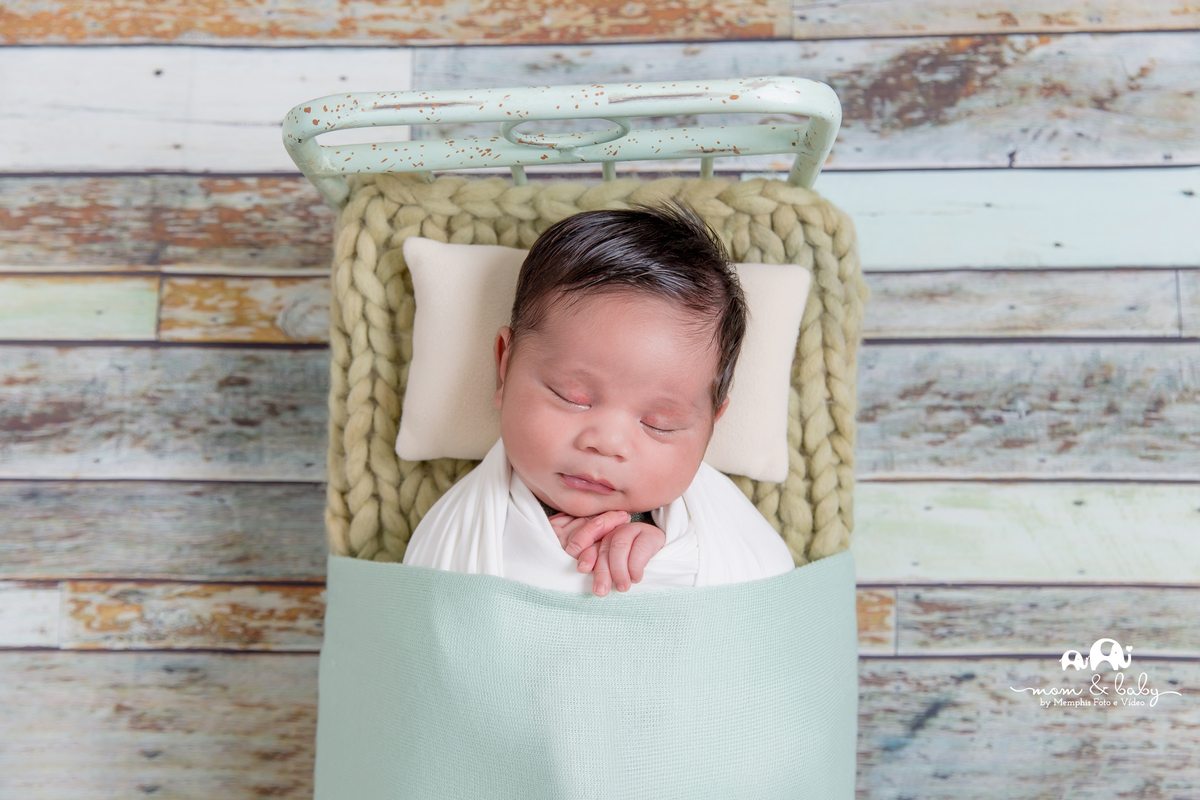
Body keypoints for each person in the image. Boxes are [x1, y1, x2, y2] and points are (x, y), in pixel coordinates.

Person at [402, 203, 795, 595]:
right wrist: (538, 558)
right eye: (571, 397)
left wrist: (658, 553)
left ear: (712, 424)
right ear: (505, 367)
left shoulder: (716, 532)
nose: (607, 443)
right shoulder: (462, 530)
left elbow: (761, 598)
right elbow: (430, 606)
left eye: (659, 424)